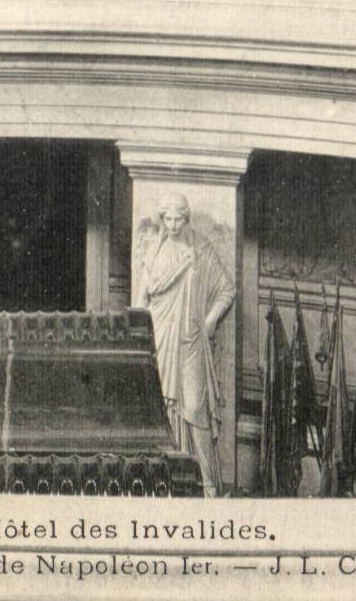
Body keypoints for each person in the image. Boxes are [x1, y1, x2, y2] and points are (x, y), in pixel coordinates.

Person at [135, 192, 235, 496]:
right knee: (162, 406)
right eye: (168, 218)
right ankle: (166, 479)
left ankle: (208, 483)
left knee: (194, 407)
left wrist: (210, 321)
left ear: (187, 218)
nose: (174, 225)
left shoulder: (200, 250)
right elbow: (140, 302)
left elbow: (227, 290)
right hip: (160, 337)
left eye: (179, 218)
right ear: (162, 219)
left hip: (191, 339)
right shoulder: (154, 252)